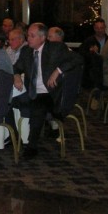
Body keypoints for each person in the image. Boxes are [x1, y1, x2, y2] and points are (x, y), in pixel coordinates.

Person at [13, 22, 78, 159]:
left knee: (38, 107)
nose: (28, 38)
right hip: (33, 92)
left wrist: (57, 71)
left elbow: (77, 59)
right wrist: (17, 76)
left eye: (32, 36)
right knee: (11, 102)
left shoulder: (55, 48)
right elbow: (17, 67)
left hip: (52, 93)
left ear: (42, 38)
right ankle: (12, 137)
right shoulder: (26, 51)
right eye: (28, 35)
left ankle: (31, 146)